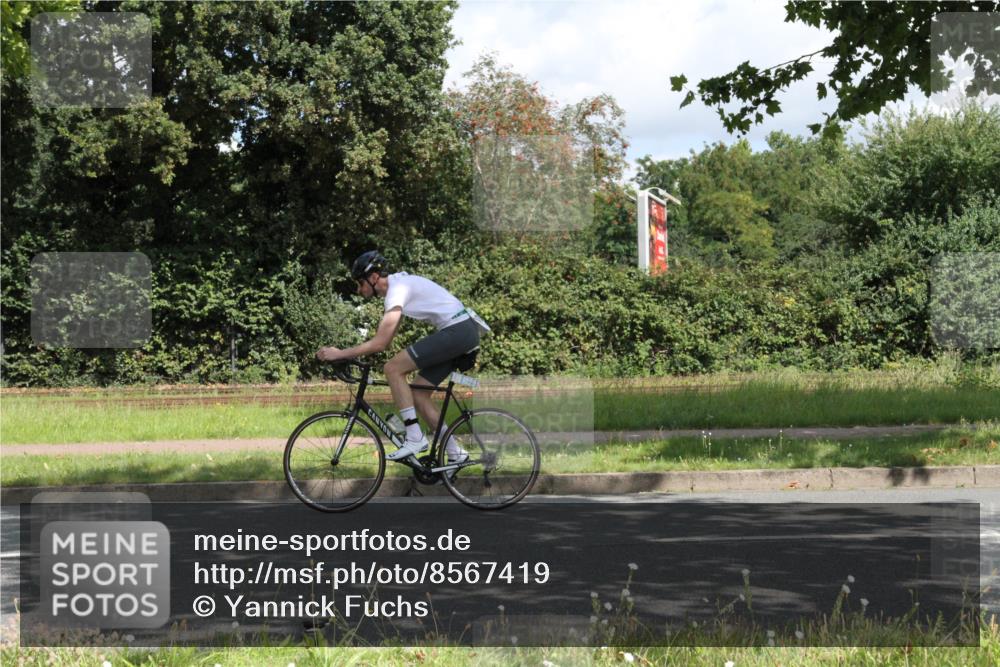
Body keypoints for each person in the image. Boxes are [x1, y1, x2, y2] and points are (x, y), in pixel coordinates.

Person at [316, 251, 483, 464]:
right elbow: (384, 341)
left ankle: (414, 438)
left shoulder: (397, 290)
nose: (359, 290)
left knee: (393, 369)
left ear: (374, 277)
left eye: (360, 283)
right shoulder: (399, 288)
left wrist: (339, 353)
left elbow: (380, 343)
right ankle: (456, 454)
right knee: (418, 396)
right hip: (462, 331)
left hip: (457, 331)